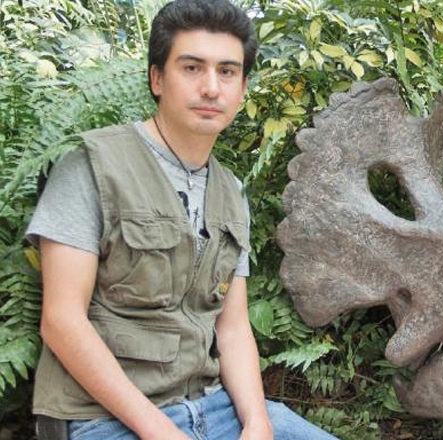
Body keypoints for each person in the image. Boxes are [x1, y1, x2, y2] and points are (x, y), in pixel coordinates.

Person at [26, 1, 339, 439]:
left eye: (227, 72)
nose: (211, 88)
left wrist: (257, 422)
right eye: (192, 68)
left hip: (212, 407)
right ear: (157, 78)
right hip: (102, 417)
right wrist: (162, 432)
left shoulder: (231, 193)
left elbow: (232, 328)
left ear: (242, 87)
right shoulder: (92, 166)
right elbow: (62, 320)